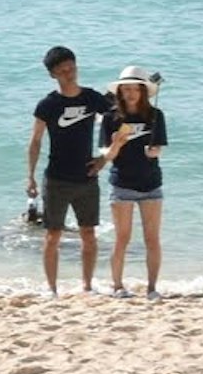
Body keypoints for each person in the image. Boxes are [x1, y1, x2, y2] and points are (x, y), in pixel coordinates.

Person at [25, 47, 109, 296]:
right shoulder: (48, 105)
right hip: (56, 179)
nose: (69, 74)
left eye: (71, 68)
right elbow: (36, 141)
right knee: (52, 236)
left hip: (87, 177)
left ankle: (88, 286)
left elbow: (117, 125)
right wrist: (30, 176)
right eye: (62, 71)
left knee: (89, 235)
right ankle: (51, 289)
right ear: (53, 75)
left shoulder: (93, 98)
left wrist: (104, 158)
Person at [100, 67, 167, 297]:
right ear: (119, 91)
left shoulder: (155, 115)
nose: (129, 93)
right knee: (122, 238)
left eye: (134, 89)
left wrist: (153, 151)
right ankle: (117, 287)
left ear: (143, 91)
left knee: (152, 239)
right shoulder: (111, 117)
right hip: (122, 185)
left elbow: (158, 149)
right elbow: (106, 155)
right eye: (125, 89)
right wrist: (117, 144)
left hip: (151, 184)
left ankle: (152, 288)